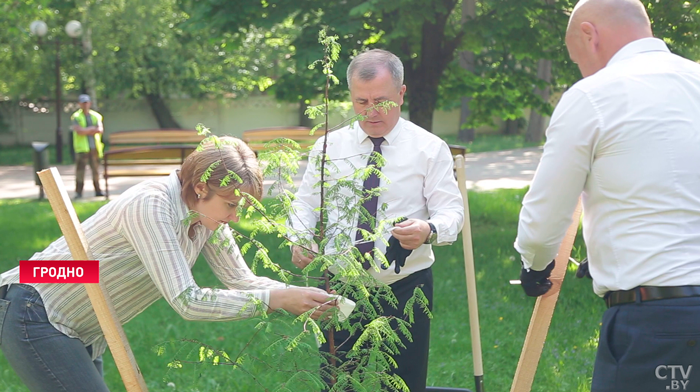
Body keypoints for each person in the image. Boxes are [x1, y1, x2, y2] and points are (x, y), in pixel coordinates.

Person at [0, 137, 336, 392]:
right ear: (201, 187)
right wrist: (276, 301)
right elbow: (187, 301)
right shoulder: (151, 205)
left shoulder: (203, 215)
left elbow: (240, 279)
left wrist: (294, 294)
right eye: (231, 204)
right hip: (37, 308)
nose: (235, 217)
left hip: (83, 321)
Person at [514, 1, 700, 391]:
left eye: (576, 59)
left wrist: (535, 266)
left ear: (589, 34)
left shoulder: (593, 96)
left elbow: (546, 215)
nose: (580, 69)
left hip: (659, 324)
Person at [288, 49, 464, 391]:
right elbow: (304, 203)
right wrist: (299, 237)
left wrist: (428, 229)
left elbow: (452, 213)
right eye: (361, 101)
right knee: (338, 383)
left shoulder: (429, 148)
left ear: (401, 93)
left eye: (380, 101)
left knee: (401, 385)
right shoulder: (328, 147)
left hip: (406, 286)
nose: (370, 111)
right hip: (341, 286)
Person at [71, 94, 105, 198]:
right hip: (82, 149)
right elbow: (79, 131)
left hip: (94, 147)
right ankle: (79, 192)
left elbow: (100, 130)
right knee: (80, 171)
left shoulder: (96, 116)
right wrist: (91, 129)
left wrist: (86, 130)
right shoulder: (76, 116)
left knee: (95, 170)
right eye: (83, 103)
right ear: (79, 104)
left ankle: (98, 190)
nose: (85, 105)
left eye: (86, 102)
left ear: (89, 103)